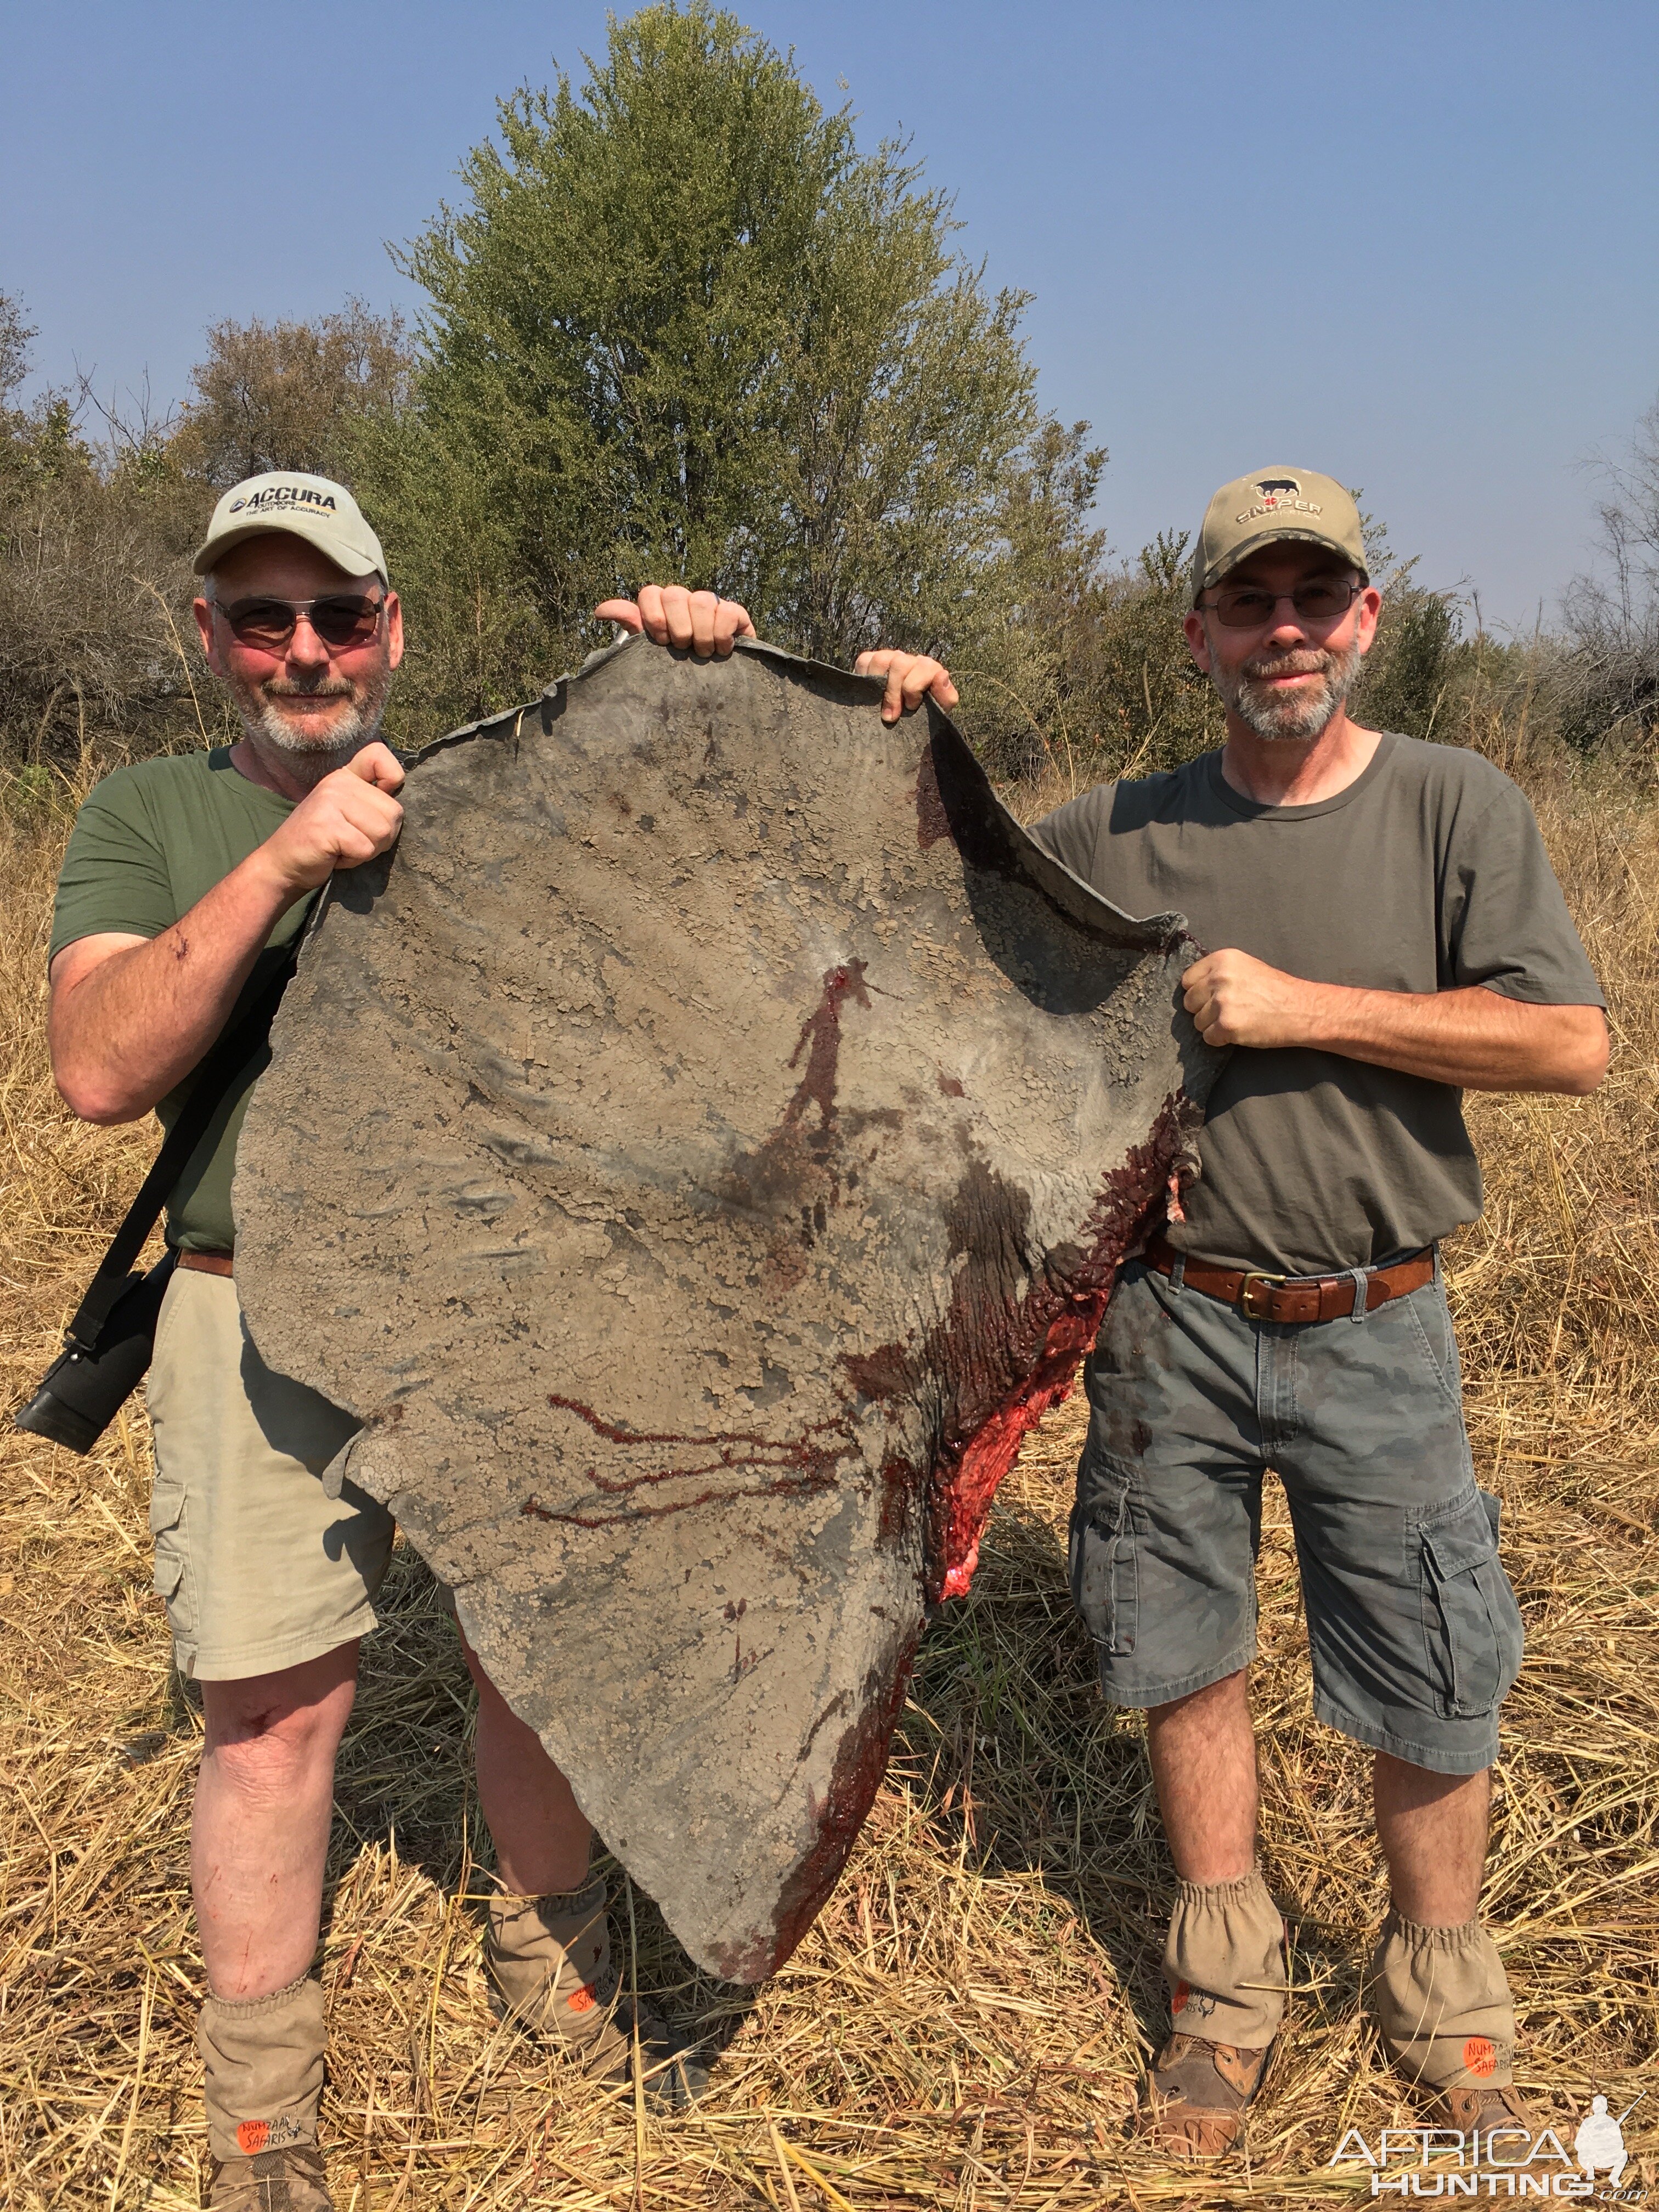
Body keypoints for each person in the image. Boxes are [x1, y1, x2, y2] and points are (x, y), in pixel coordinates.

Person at [46, 473, 952, 2211]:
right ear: (210, 636)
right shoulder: (151, 813)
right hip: (246, 1309)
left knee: (541, 1659)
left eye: (338, 615)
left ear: (394, 629)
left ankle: (557, 1973)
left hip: (509, 1293)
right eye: (263, 616)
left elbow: (748, 922)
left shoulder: (477, 789)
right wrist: (287, 860)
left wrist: (749, 685)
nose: (302, 650)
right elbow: (100, 1069)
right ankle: (259, 2111)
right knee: (272, 1716)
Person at [862, 467, 1607, 2158]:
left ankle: (1447, 2004)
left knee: (1429, 1660)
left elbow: (1568, 1044)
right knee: (1182, 1650)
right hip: (1170, 1323)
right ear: (1197, 636)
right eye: (1250, 603)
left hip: (1377, 1315)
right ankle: (1222, 2003)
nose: (1287, 630)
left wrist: (1301, 1011)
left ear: (1368, 618)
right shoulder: (1121, 832)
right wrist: (892, 728)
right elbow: (937, 929)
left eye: (1316, 597)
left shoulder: (1454, 807)